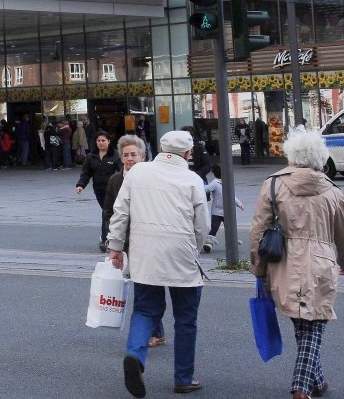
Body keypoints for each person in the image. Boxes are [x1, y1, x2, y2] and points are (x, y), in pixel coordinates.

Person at [107, 130, 209, 398]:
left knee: (145, 310)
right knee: (186, 318)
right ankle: (183, 378)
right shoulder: (193, 180)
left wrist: (115, 247)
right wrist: (194, 250)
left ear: (161, 148)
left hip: (145, 253)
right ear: (187, 154)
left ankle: (135, 355)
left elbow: (120, 213)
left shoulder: (138, 173)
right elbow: (202, 226)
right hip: (182, 254)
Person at [249, 127, 344, 399]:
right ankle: (302, 387)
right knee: (314, 323)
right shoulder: (333, 192)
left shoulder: (274, 184)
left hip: (284, 265)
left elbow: (258, 229)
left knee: (304, 325)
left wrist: (258, 268)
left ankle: (318, 381)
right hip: (321, 265)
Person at [103, 134, 166, 349]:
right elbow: (109, 211)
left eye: (134, 154)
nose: (130, 158)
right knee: (142, 287)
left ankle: (153, 331)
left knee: (146, 287)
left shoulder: (153, 177)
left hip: (148, 240)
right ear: (121, 158)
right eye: (126, 155)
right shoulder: (115, 180)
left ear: (143, 156)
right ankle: (152, 330)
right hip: (125, 240)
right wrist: (111, 241)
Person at [76, 131, 121, 251]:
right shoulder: (91, 156)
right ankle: (108, 237)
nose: (101, 143)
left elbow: (122, 172)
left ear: (109, 141)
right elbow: (86, 173)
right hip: (99, 190)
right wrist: (81, 185)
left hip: (112, 190)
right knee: (107, 213)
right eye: (99, 141)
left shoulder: (115, 155)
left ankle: (105, 238)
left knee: (107, 212)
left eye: (103, 140)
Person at [201, 164, 244, 253]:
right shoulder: (217, 183)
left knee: (215, 227)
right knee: (227, 227)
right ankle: (229, 242)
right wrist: (239, 204)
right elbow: (233, 196)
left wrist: (201, 185)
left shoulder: (218, 183)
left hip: (218, 210)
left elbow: (206, 189)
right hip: (224, 210)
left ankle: (210, 243)